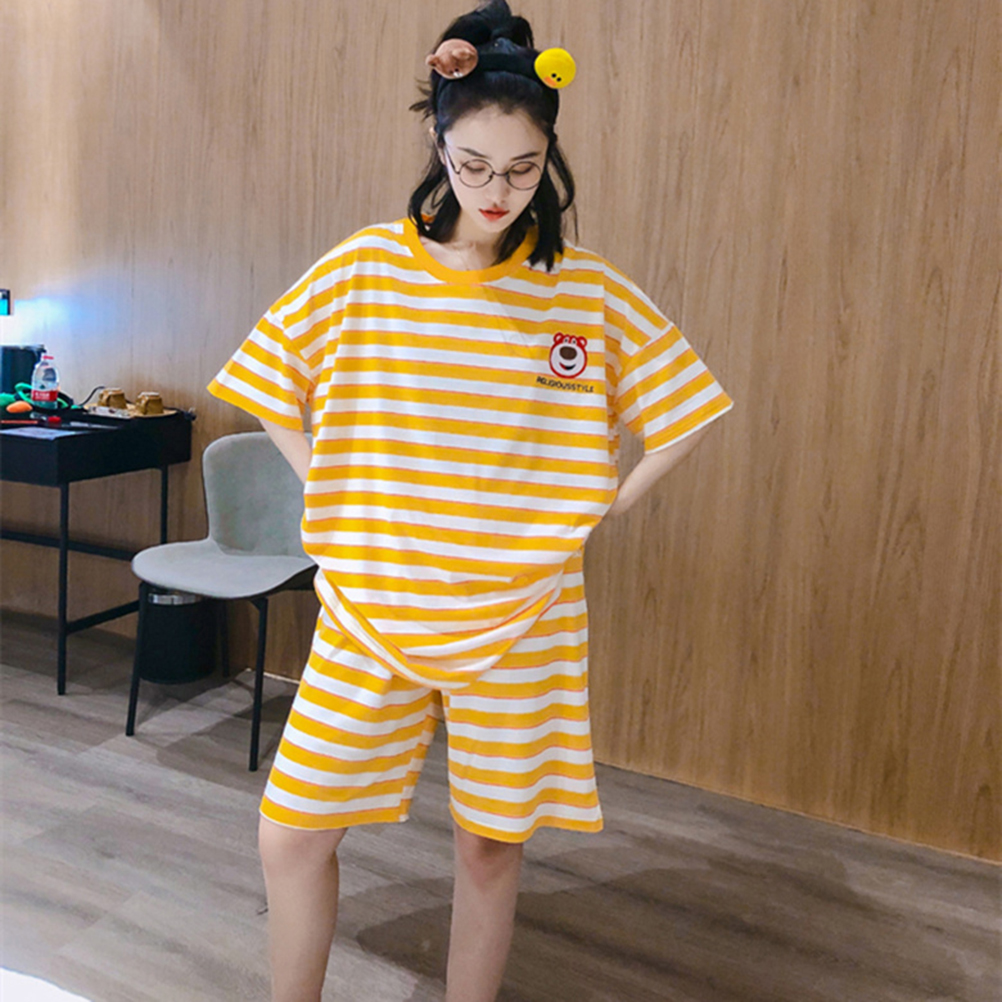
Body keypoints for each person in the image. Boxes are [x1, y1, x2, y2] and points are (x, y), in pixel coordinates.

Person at [208, 2, 734, 999]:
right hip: (374, 604)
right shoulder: (369, 268)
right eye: (475, 165)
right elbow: (273, 376)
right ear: (440, 148)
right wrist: (327, 475)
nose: (497, 192)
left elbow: (687, 408)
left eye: (523, 169)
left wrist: (610, 502)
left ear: (549, 162)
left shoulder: (583, 290)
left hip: (522, 615)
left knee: (491, 846)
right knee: (292, 831)